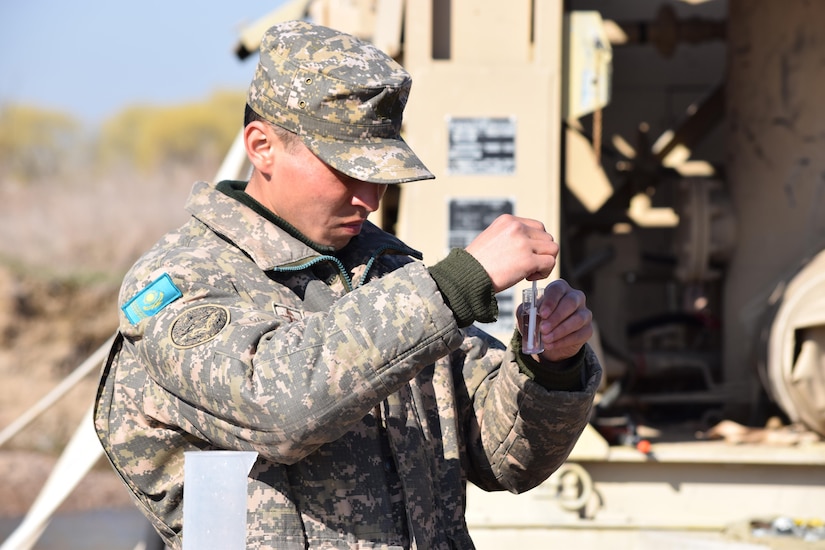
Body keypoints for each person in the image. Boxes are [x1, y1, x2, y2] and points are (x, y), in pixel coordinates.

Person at [94, 19, 601, 550]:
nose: (371, 197)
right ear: (262, 146)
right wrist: (461, 281)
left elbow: (505, 458)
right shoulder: (181, 280)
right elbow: (278, 406)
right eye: (347, 171)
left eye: (380, 174)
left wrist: (550, 367)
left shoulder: (388, 272)